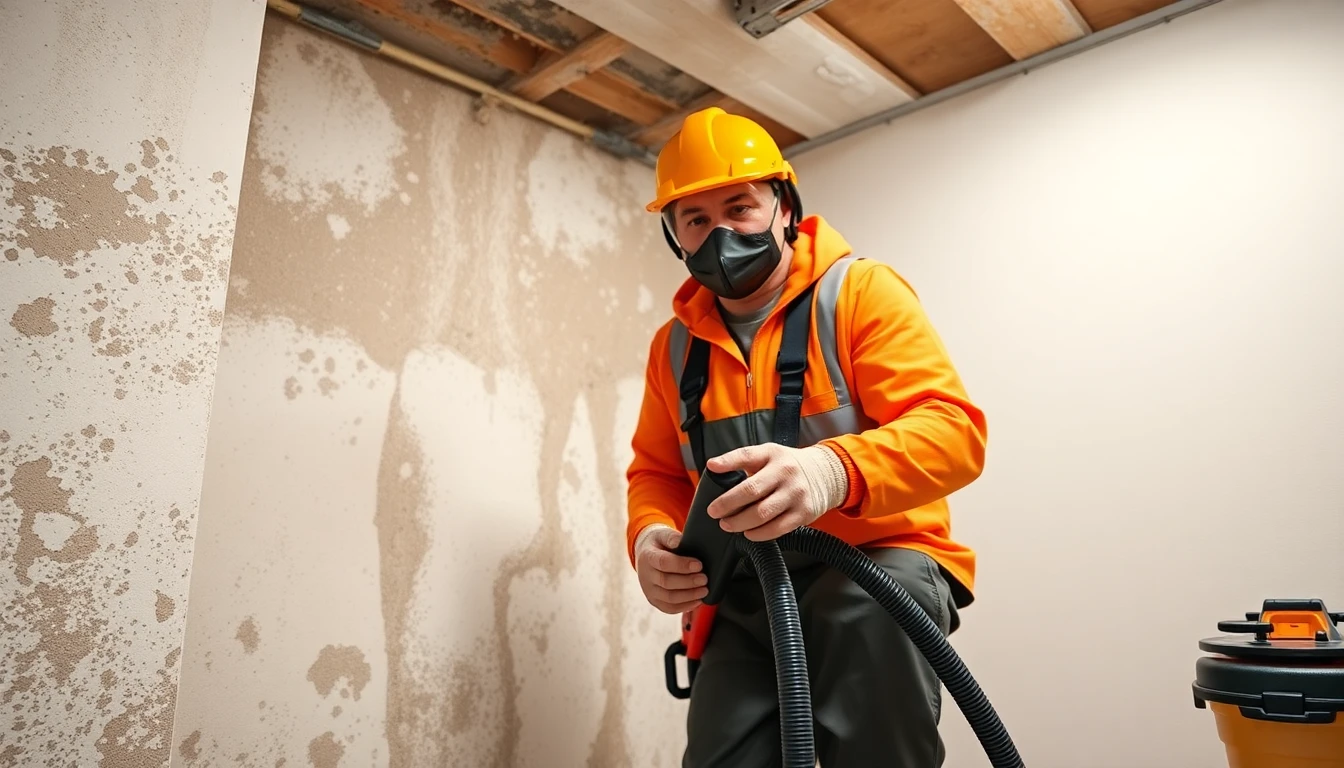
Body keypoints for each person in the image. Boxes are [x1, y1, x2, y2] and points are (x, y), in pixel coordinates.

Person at [624, 106, 988, 767]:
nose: (719, 234)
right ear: (674, 237)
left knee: (875, 734)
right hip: (745, 589)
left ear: (785, 207)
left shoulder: (860, 293)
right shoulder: (673, 348)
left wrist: (830, 473)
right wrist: (649, 539)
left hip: (877, 566)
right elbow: (655, 473)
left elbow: (954, 433)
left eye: (740, 206)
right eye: (695, 220)